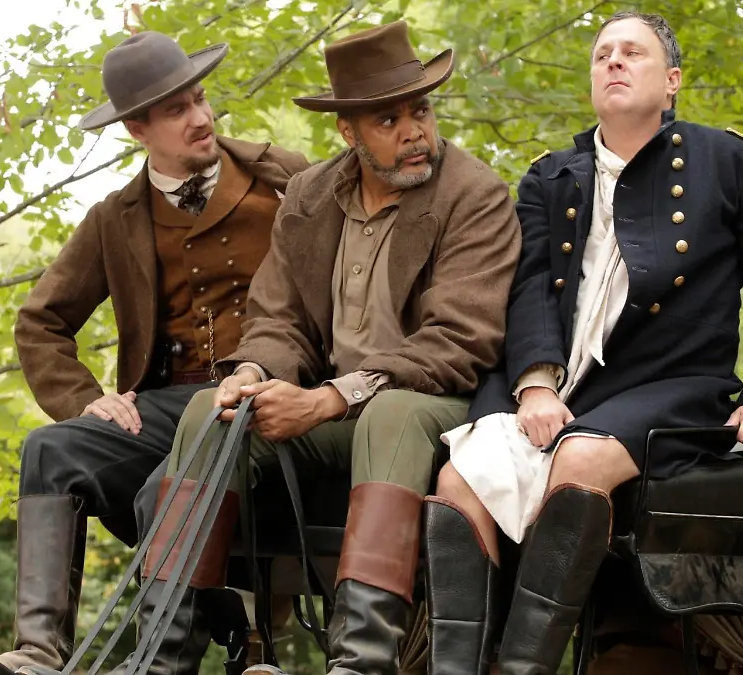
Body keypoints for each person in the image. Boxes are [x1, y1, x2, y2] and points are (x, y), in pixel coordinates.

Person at [423, 11, 743, 675]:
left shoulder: (732, 163)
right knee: (458, 477)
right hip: (550, 381)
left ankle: (524, 669)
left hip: (671, 383)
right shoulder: (549, 177)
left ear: (671, 81)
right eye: (603, 53)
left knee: (578, 460)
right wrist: (537, 381)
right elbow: (527, 292)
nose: (613, 61)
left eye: (631, 52)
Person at [136, 20, 520, 675]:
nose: (413, 131)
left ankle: (359, 661)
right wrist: (252, 374)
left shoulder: (473, 194)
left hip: (436, 406)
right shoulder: (311, 196)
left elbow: (460, 341)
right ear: (349, 131)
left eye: (420, 111)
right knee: (210, 413)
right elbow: (277, 317)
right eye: (388, 119)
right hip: (331, 410)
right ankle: (160, 656)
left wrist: (329, 398)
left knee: (392, 414)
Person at [0, 31, 308, 674]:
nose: (200, 118)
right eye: (176, 110)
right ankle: (38, 653)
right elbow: (41, 321)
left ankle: (163, 661)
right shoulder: (115, 217)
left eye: (199, 99)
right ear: (138, 128)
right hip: (168, 403)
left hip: (271, 398)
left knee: (169, 485)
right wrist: (87, 401)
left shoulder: (287, 181)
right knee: (49, 449)